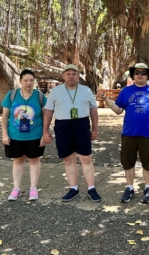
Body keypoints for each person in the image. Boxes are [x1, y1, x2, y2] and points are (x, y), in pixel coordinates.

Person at [97, 63, 149, 204]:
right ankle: (129, 187)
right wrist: (106, 100)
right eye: (137, 72)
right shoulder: (126, 91)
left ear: (147, 75)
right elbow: (118, 110)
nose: (140, 75)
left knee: (147, 163)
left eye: (143, 72)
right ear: (133, 75)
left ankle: (147, 188)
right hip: (129, 133)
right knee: (128, 162)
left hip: (148, 134)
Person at [43, 64, 101, 203]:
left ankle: (91, 188)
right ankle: (73, 188)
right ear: (63, 76)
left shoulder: (86, 90)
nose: (71, 76)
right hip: (63, 126)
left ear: (78, 75)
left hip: (81, 124)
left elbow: (93, 110)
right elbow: (49, 111)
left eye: (74, 73)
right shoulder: (55, 91)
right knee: (68, 159)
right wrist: (45, 131)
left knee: (86, 158)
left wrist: (95, 129)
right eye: (68, 74)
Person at [1, 70, 47, 201]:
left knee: (34, 160)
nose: (28, 83)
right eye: (26, 80)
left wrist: (45, 133)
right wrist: (4, 134)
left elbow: (46, 116)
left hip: (35, 135)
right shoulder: (12, 95)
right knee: (18, 160)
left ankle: (33, 188)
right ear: (20, 81)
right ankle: (16, 188)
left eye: (31, 80)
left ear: (34, 81)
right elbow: (4, 116)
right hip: (15, 135)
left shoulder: (40, 96)